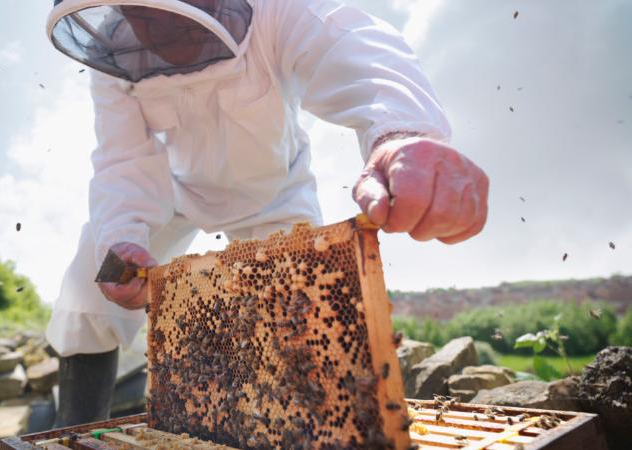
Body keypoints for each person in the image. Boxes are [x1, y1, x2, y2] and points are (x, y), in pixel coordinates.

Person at [44, 0, 489, 426]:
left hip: (273, 196)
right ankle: (74, 425)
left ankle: (298, 427)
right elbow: (123, 160)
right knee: (91, 282)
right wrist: (122, 238)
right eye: (137, 13)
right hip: (172, 194)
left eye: (164, 9)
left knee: (298, 318)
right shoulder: (112, 51)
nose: (154, 29)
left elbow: (351, 44)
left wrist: (402, 133)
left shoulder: (277, 9)